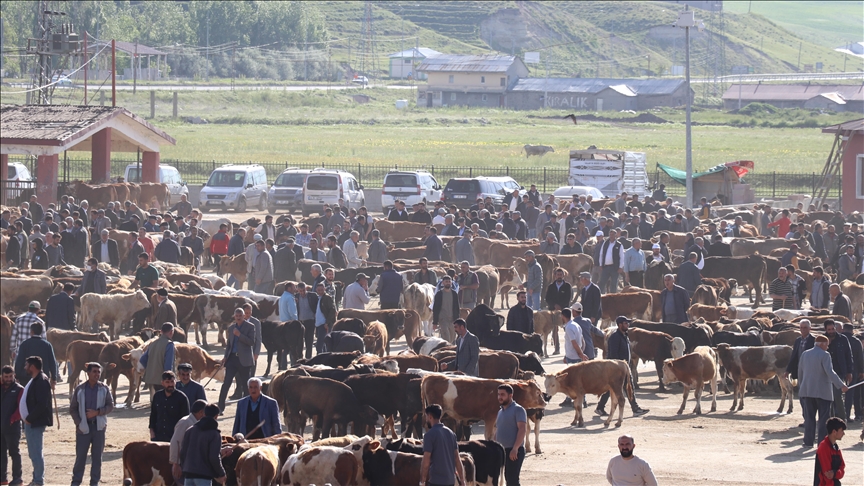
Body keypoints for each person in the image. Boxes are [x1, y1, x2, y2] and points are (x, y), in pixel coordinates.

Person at [799, 335, 848, 448]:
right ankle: (821, 442)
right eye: (827, 345)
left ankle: (807, 442)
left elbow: (800, 372)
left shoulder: (805, 354)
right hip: (823, 392)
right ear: (822, 344)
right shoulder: (825, 355)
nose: (827, 347)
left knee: (809, 418)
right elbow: (830, 372)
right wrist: (841, 385)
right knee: (823, 420)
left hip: (807, 391)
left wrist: (802, 387)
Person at [69, 362, 113, 486]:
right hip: (83, 428)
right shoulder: (80, 389)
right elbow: (73, 409)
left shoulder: (104, 388)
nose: (97, 374)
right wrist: (79, 423)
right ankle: (76, 482)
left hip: (99, 427)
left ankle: (94, 483)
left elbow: (110, 406)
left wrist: (98, 412)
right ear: (88, 373)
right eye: (94, 372)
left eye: (98, 372)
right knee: (81, 458)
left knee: (97, 458)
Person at [596, 317, 649, 417]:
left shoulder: (624, 336)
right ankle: (635, 409)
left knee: (621, 387)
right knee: (624, 387)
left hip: (624, 367)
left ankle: (600, 407)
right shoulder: (615, 337)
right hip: (617, 369)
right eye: (625, 323)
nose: (628, 325)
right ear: (620, 325)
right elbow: (613, 354)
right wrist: (619, 368)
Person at [19, 356, 53, 486]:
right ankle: (36, 479)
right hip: (31, 423)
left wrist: (29, 418)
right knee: (33, 452)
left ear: (32, 367)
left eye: (26, 365)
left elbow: (42, 404)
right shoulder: (36, 379)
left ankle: (39, 480)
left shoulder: (41, 381)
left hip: (35, 423)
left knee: (36, 452)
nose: (24, 367)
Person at [179, 404, 226, 486]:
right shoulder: (214, 434)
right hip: (204, 476)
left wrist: (185, 468)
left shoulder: (190, 430)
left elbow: (183, 453)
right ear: (216, 416)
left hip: (188, 475)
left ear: (204, 414)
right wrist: (221, 473)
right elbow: (214, 457)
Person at [420, 404, 466, 486]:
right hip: (450, 481)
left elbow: (426, 461)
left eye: (426, 416)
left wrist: (422, 481)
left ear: (430, 416)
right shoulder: (451, 434)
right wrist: (462, 480)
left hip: (436, 481)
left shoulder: (429, 435)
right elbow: (457, 458)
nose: (426, 419)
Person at [170, 399, 207, 486]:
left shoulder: (195, 423)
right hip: (183, 464)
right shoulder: (185, 422)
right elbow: (175, 442)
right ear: (201, 412)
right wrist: (176, 464)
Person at [496, 384, 527, 486]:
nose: (500, 397)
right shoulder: (500, 411)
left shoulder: (518, 409)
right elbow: (499, 431)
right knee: (507, 478)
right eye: (499, 394)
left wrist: (515, 448)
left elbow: (522, 429)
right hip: (502, 450)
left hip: (514, 450)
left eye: (503, 394)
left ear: (510, 396)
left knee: (512, 480)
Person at [824, 320, 854, 421]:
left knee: (837, 396)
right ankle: (829, 419)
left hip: (840, 372)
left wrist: (849, 372)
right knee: (827, 398)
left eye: (833, 329)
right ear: (825, 330)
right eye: (829, 329)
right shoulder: (822, 340)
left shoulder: (843, 339)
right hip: (826, 373)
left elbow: (848, 356)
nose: (831, 331)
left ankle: (842, 419)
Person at [150, 371, 190, 442]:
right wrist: (152, 431)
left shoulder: (182, 398)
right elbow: (153, 415)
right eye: (167, 382)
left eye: (172, 381)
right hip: (158, 436)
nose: (170, 384)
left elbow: (185, 419)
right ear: (162, 383)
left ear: (175, 382)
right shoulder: (157, 396)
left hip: (175, 436)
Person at [0, 365, 23, 486]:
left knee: (14, 452)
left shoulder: (19, 389)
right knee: (1, 453)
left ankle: (17, 478)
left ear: (14, 375)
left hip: (12, 427)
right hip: (1, 427)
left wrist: (13, 419)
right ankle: (2, 478)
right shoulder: (1, 388)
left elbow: (21, 408)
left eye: (10, 376)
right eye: (6, 377)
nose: (8, 379)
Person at [140, 323, 177, 393]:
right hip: (164, 380)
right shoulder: (169, 344)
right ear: (171, 332)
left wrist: (151, 370)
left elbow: (143, 359)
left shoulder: (153, 343)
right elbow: (168, 365)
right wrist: (169, 380)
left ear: (161, 331)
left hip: (153, 379)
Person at [841, 323, 864, 422]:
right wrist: (861, 371)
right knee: (851, 393)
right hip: (853, 370)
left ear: (843, 329)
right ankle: (850, 414)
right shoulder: (856, 341)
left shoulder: (840, 339)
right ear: (852, 330)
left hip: (840, 370)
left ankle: (841, 414)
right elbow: (860, 358)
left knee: (839, 393)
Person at [815, 417, 847, 486]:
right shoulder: (824, 448)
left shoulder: (835, 447)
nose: (843, 433)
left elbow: (842, 467)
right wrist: (836, 474)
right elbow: (827, 476)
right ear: (834, 432)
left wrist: (835, 473)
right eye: (841, 430)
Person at [433, 276, 460, 343]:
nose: (448, 283)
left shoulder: (454, 294)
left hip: (452, 320)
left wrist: (457, 320)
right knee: (446, 338)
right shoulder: (439, 294)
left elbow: (457, 307)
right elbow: (435, 308)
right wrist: (435, 322)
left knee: (452, 338)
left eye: (449, 281)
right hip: (443, 319)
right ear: (443, 283)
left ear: (451, 283)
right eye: (446, 282)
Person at [313, 283, 337, 354]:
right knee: (322, 344)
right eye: (318, 290)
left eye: (322, 290)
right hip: (318, 324)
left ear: (325, 289)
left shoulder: (327, 298)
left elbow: (332, 310)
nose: (320, 291)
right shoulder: (318, 298)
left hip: (324, 324)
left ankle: (320, 359)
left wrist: (327, 322)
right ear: (316, 290)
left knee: (320, 345)